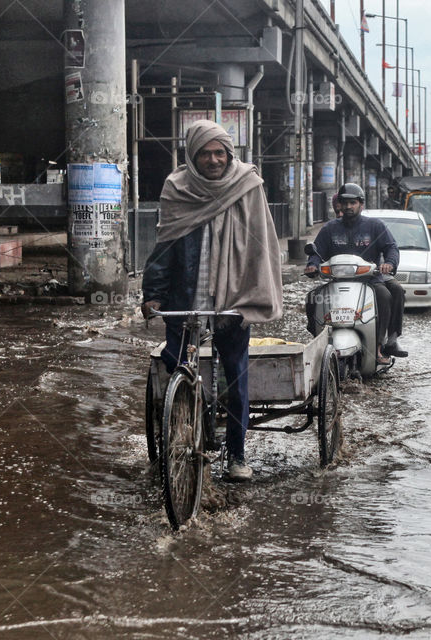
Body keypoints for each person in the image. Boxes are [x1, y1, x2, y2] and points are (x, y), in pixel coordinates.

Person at [141, 120, 283, 482]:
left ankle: (237, 454)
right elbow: (165, 247)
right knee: (176, 365)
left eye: (220, 152)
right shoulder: (177, 189)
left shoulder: (248, 184)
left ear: (229, 154)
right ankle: (185, 431)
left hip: (234, 300)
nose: (213, 159)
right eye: (205, 153)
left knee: (236, 377)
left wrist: (256, 292)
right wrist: (153, 294)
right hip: (185, 298)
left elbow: (260, 248)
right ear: (192, 155)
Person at [305, 182, 408, 364]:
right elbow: (316, 252)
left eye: (353, 203)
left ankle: (386, 342)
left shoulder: (375, 226)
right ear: (339, 205)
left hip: (371, 278)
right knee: (312, 298)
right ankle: (317, 339)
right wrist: (312, 266)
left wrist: (389, 264)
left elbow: (391, 248)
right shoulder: (330, 229)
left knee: (392, 292)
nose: (348, 206)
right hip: (337, 280)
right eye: (345, 203)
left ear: (361, 204)